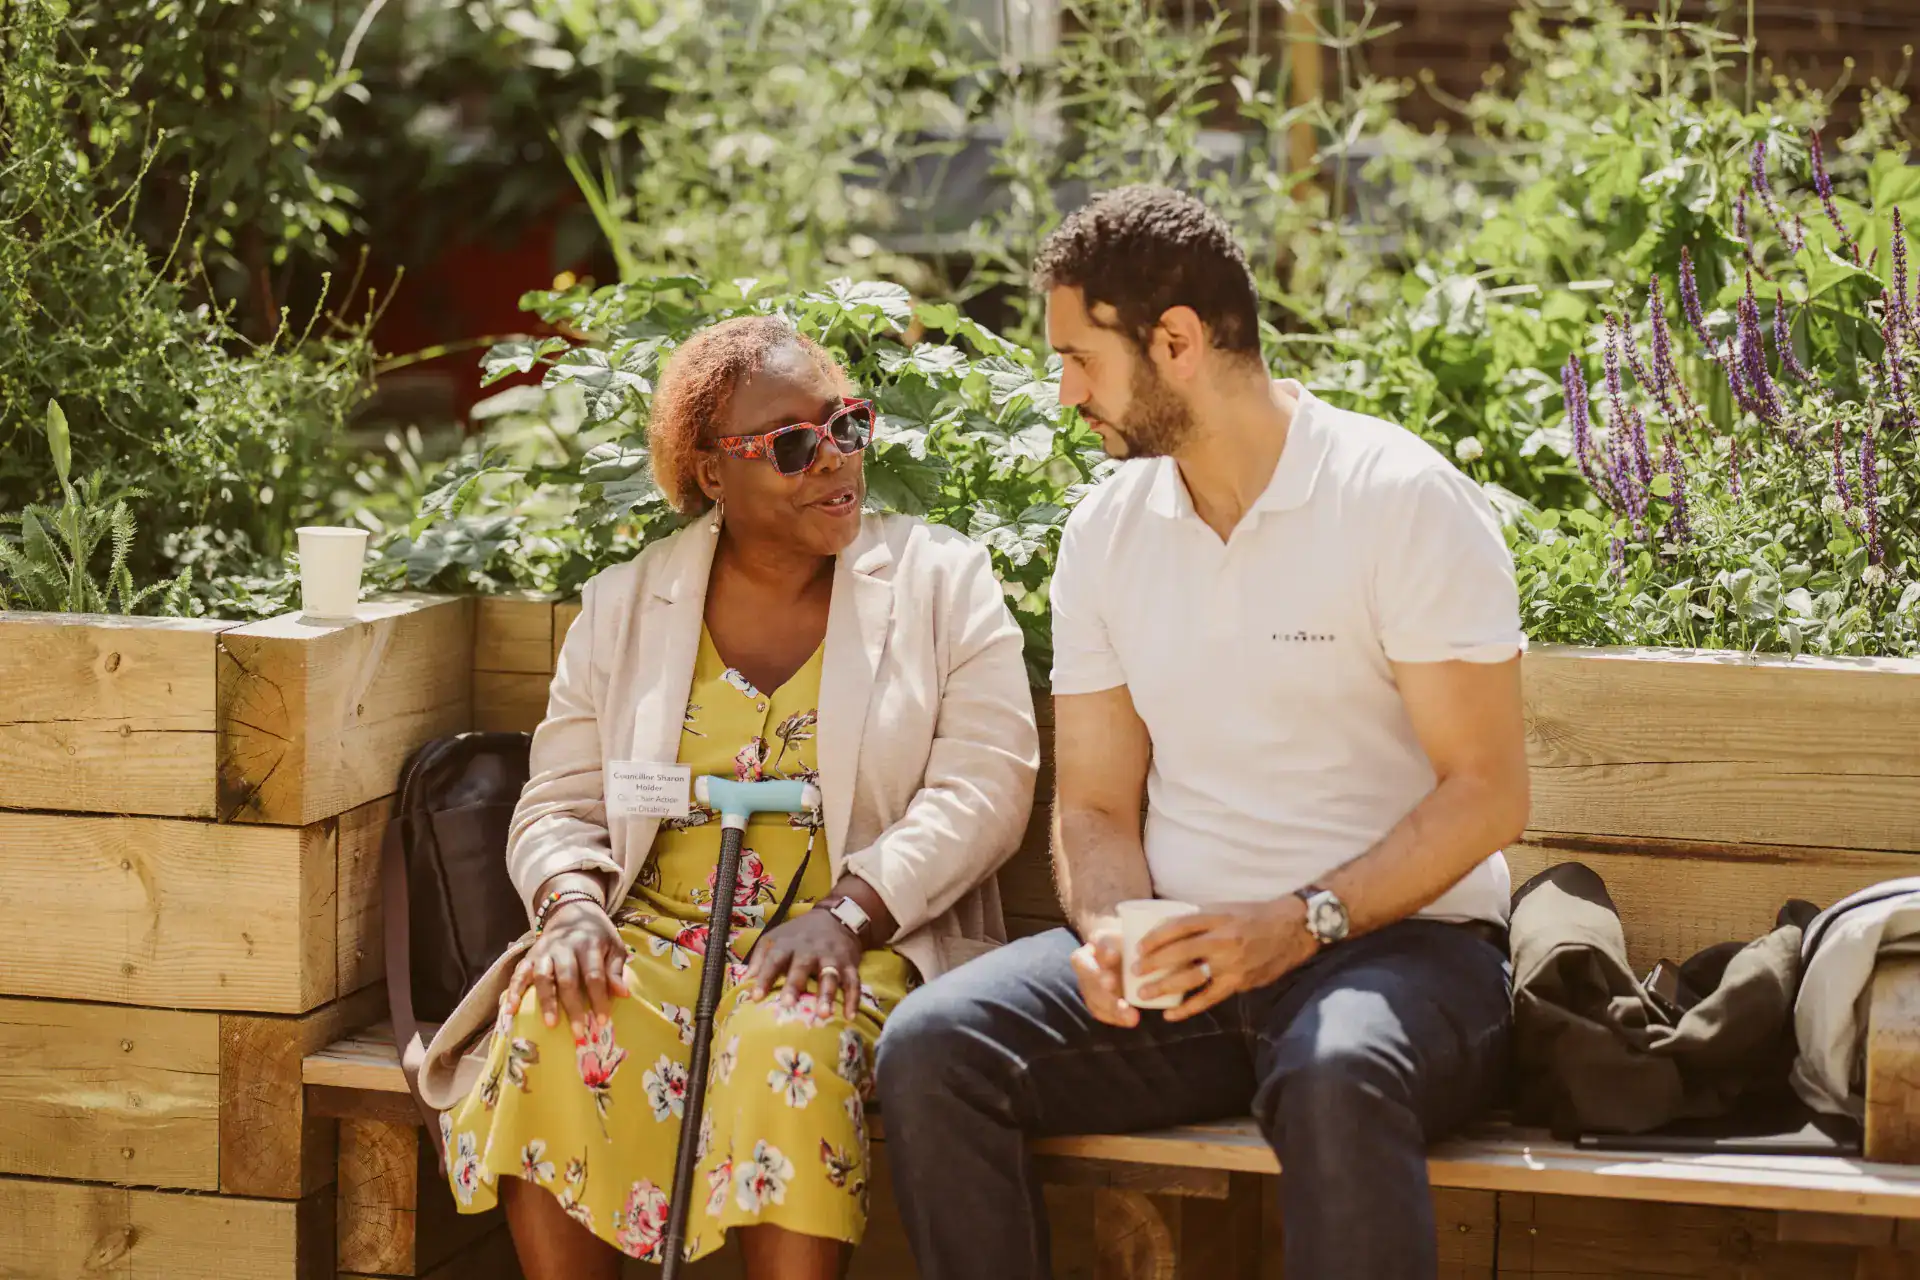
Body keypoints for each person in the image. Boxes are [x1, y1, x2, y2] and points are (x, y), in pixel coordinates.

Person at [876, 185, 1530, 1280]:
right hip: (1190, 966)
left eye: (1080, 357)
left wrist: (1296, 922)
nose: (1063, 391)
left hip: (1403, 954)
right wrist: (1118, 929)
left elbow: (1487, 793)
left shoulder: (1398, 499)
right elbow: (1091, 801)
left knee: (1336, 1072)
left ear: (1175, 341)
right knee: (936, 1047)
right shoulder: (1107, 530)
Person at [415, 315, 1040, 1279]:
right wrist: (573, 907)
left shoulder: (940, 584)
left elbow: (986, 785)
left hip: (856, 940)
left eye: (847, 425)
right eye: (792, 445)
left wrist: (848, 912)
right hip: (657, 936)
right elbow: (559, 802)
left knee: (786, 1038)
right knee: (559, 1007)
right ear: (712, 474)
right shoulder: (627, 605)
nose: (833, 459)